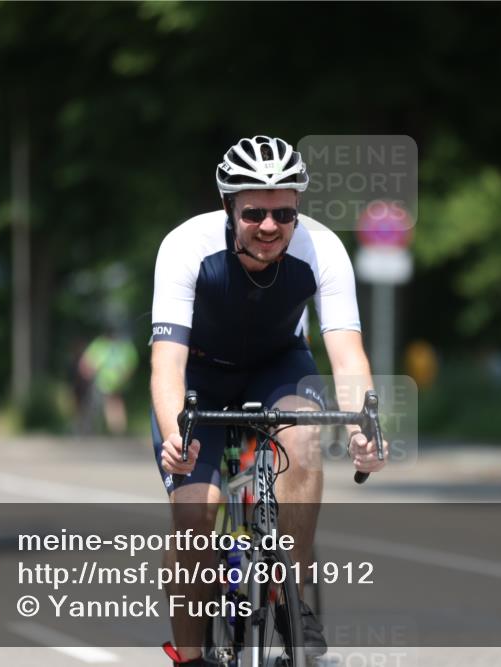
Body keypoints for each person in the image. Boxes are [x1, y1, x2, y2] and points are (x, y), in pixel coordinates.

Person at [150, 135, 386, 666]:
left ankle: (294, 604)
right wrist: (174, 436)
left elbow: (347, 356)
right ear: (227, 206)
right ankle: (189, 658)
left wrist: (363, 432)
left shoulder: (322, 248)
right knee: (195, 518)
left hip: (278, 365)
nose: (270, 226)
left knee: (302, 441)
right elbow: (166, 363)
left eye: (283, 212)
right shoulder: (186, 248)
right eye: (254, 211)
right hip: (200, 378)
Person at [78, 329, 139, 435]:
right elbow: (86, 363)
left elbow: (86, 362)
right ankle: (113, 429)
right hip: (108, 382)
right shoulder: (119, 346)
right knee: (110, 403)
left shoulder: (112, 345)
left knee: (110, 404)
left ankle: (110, 429)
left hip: (109, 382)